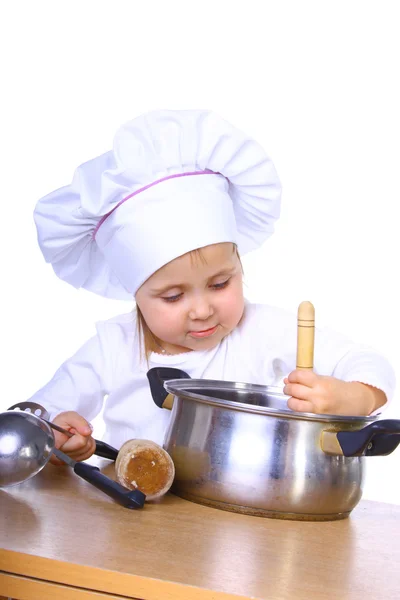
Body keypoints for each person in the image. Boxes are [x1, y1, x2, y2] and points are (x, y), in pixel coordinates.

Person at [30, 109, 395, 464]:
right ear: (135, 293)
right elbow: (41, 415)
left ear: (239, 268)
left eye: (220, 283)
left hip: (234, 514)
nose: (202, 309)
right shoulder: (113, 345)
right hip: (128, 515)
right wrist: (62, 433)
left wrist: (354, 398)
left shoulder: (261, 331)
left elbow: (363, 361)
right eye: (173, 296)